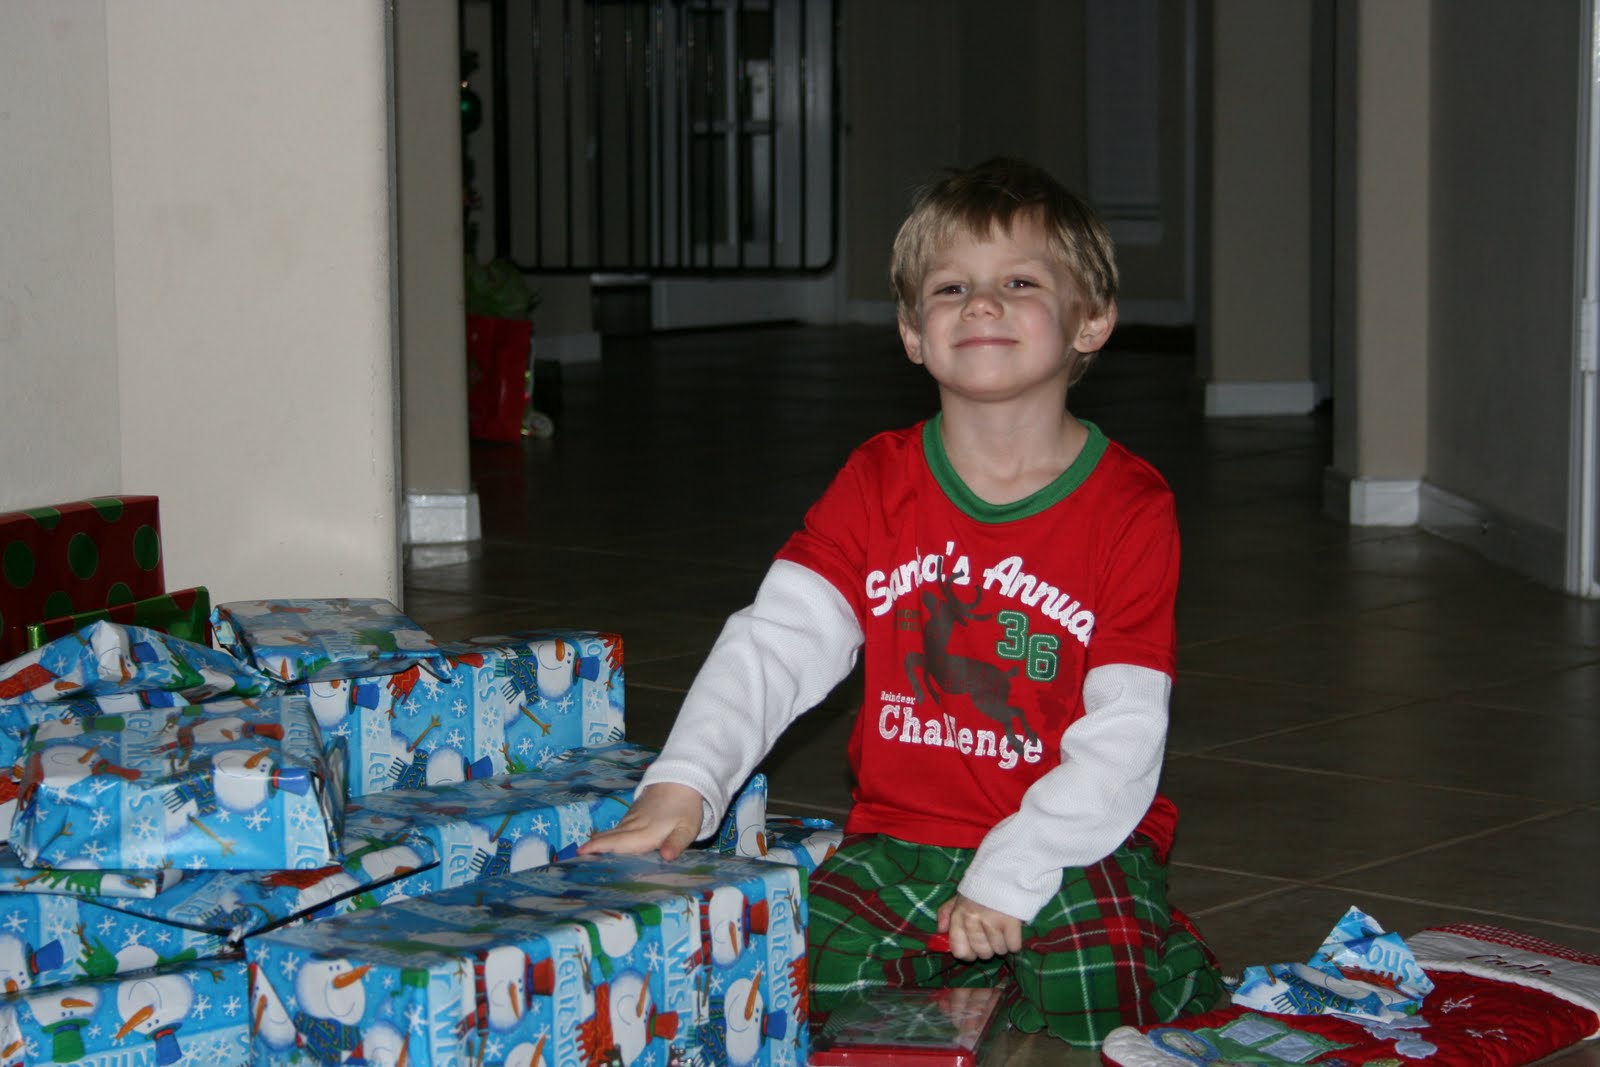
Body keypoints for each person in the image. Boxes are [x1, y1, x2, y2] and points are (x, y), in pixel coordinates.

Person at [581, 156, 1223, 1048]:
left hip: (1071, 837)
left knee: (1096, 991)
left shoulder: (1130, 505)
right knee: (801, 975)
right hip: (906, 834)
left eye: (1020, 283)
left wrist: (1015, 869)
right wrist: (685, 781)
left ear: (1092, 320)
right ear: (914, 331)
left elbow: (1125, 732)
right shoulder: (877, 480)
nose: (982, 303)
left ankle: (1146, 951)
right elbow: (775, 643)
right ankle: (980, 976)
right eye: (952, 286)